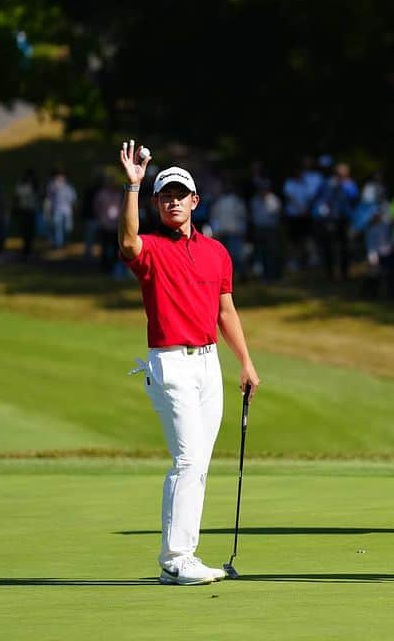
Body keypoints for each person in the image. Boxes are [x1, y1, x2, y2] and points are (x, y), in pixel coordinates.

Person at [117, 142, 261, 585]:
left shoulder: (217, 252)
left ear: (195, 201)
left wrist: (246, 363)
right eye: (165, 195)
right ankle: (176, 558)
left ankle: (185, 555)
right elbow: (126, 241)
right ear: (157, 202)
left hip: (208, 364)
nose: (173, 200)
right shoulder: (152, 250)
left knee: (199, 462)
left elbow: (226, 312)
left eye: (180, 194)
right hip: (170, 363)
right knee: (187, 459)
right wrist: (132, 186)